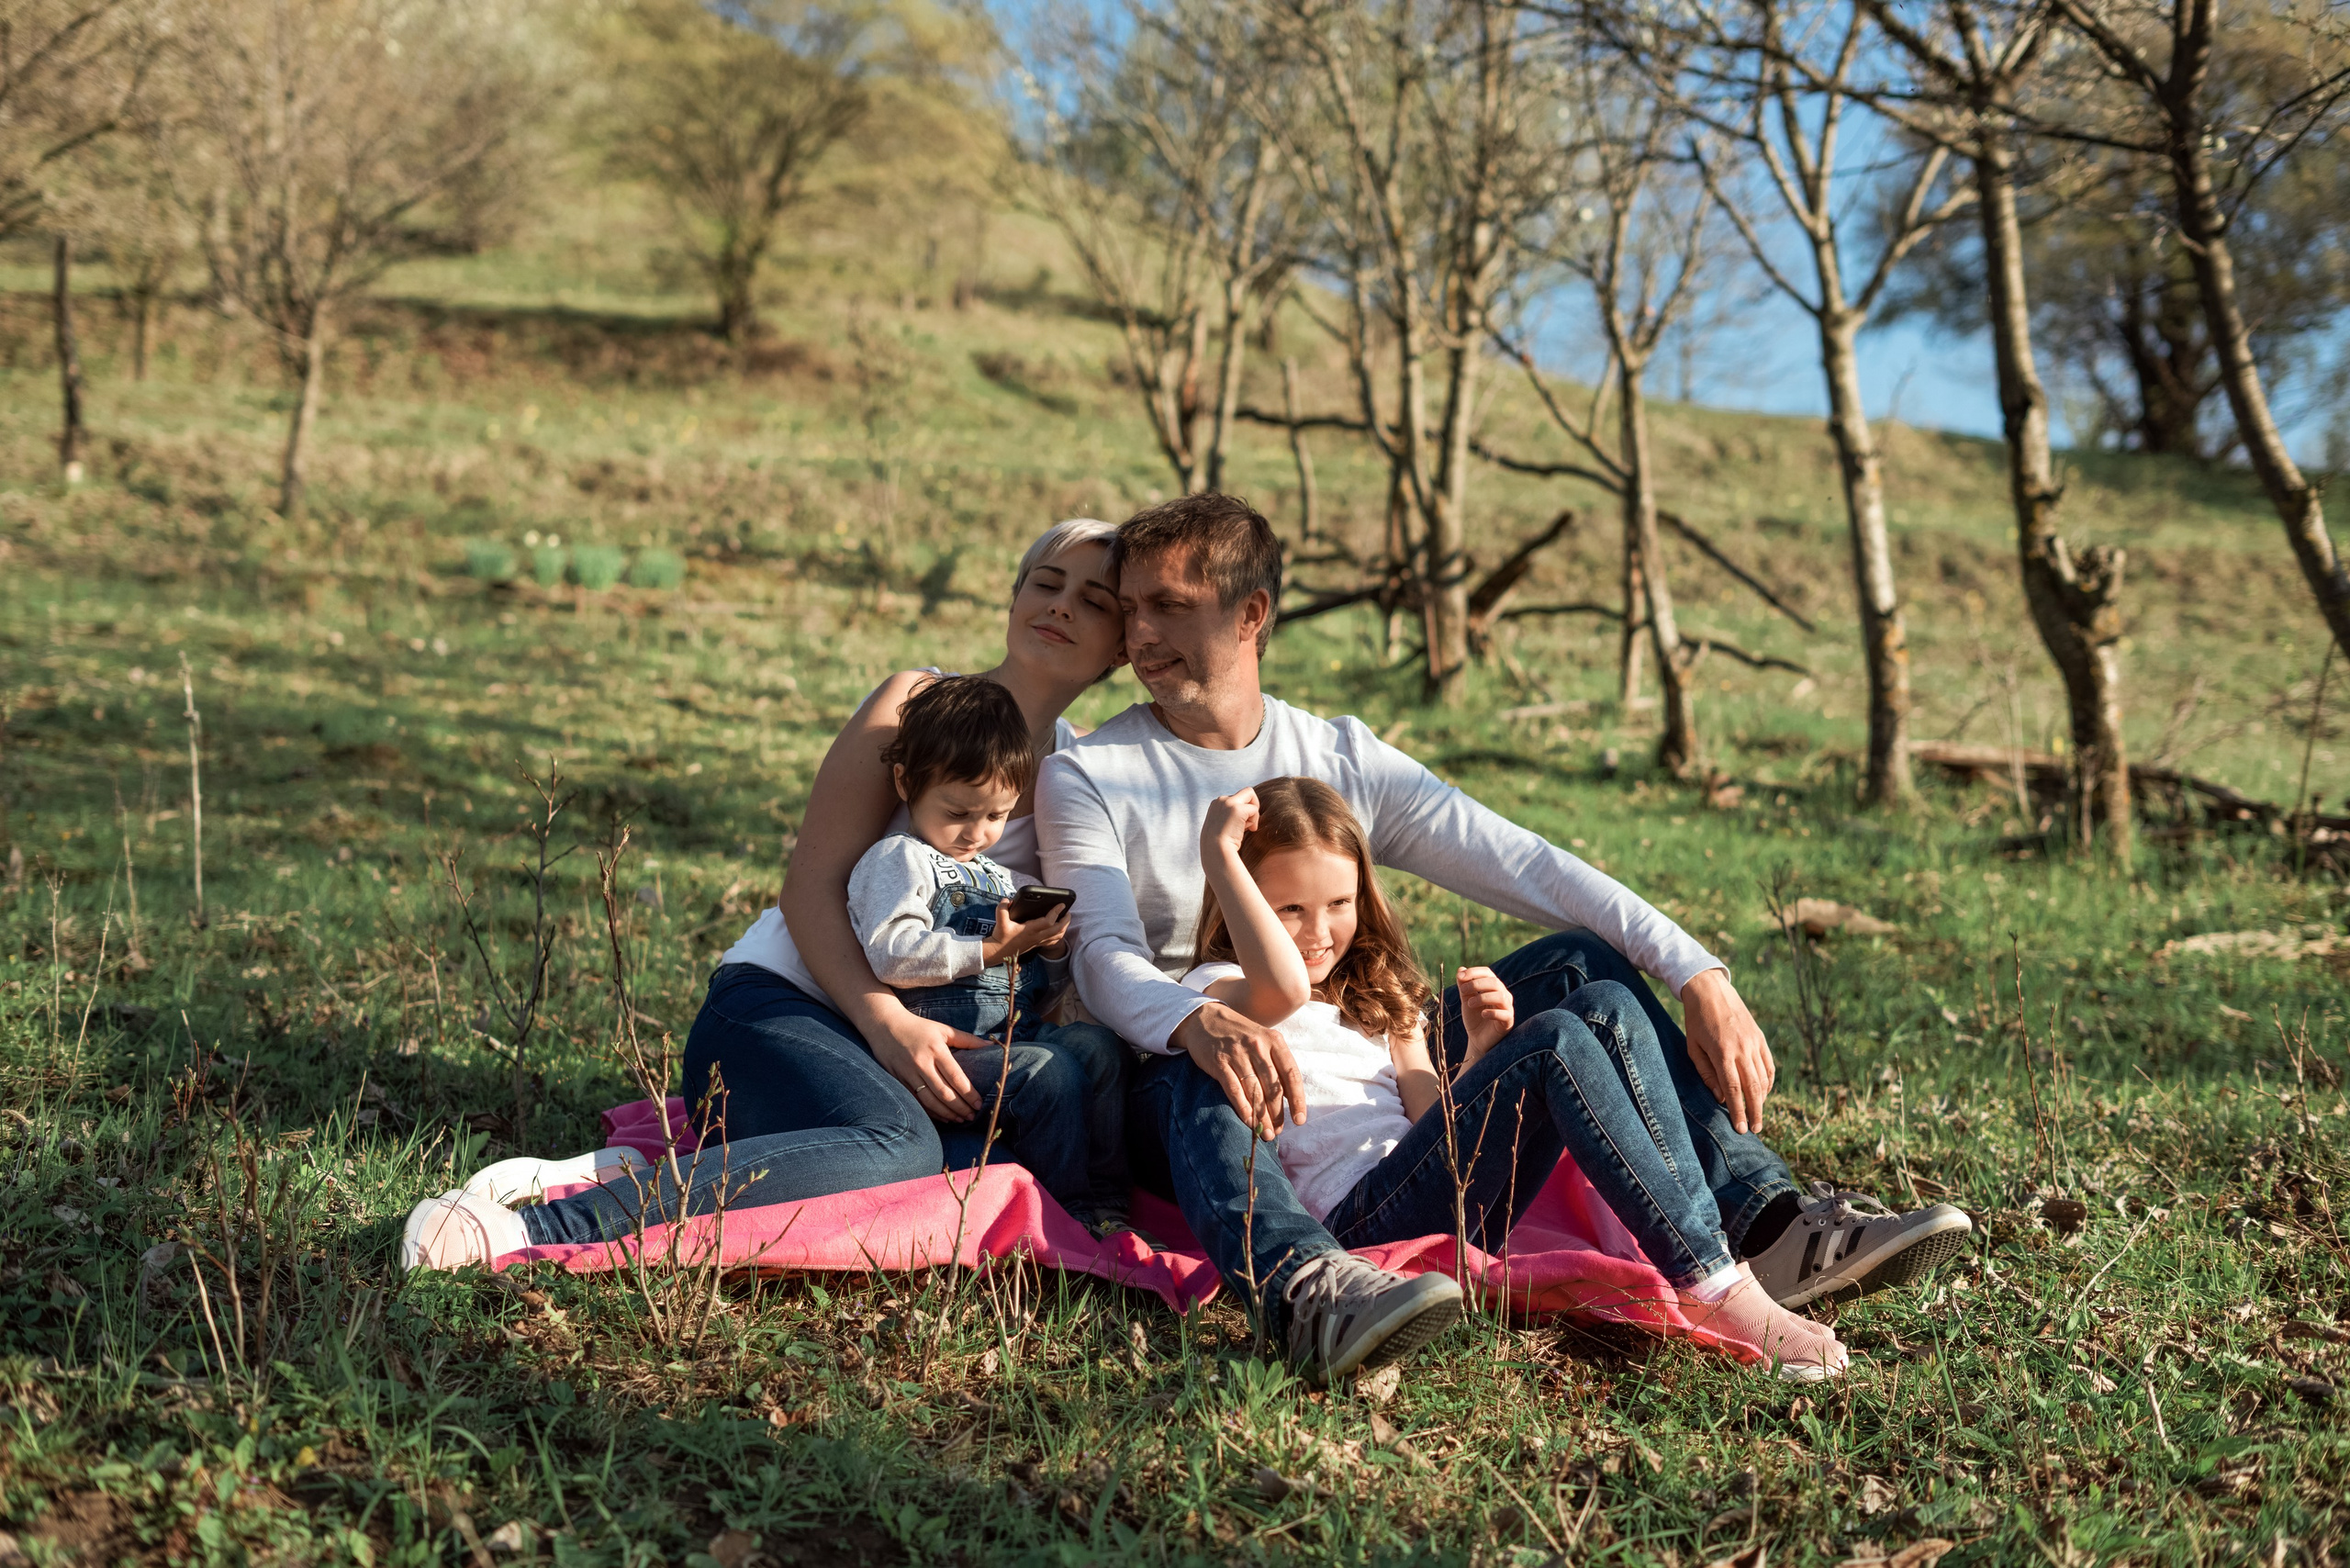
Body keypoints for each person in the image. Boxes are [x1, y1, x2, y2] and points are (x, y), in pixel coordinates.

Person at [1036, 493, 1968, 1380]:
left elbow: (1526, 863)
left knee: (1583, 968)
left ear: (1251, 614)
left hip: (1354, 1051)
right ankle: (1307, 1284)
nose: (1139, 633)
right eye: (1131, 608)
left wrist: (1695, 970)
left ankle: (1768, 1228)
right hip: (1190, 1074)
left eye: (1168, 606)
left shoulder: (1339, 756)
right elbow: (1104, 956)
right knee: (1203, 1060)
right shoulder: (1091, 772)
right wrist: (1195, 1022)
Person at [401, 518, 1129, 1270]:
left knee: (989, 1162)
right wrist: (885, 1022)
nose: (1061, 605)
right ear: (1014, 597)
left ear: (1123, 645)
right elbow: (810, 887)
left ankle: (659, 1173)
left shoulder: (1075, 771)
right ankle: (534, 1227)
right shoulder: (916, 702)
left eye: (1094, 600)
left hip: (916, 1056)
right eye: (1046, 583)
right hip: (788, 1007)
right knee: (900, 1149)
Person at [1188, 777, 1841, 1380]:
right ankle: (1714, 1285)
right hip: (1359, 1226)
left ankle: (1711, 1263)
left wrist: (1482, 1054)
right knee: (1554, 1039)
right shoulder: (1217, 992)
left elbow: (1431, 1123)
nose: (1318, 931)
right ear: (1240, 901)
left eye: (1339, 902)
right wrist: (1218, 853)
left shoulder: (1380, 998)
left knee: (1607, 1004)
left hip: (1439, 1195)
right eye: (1289, 908)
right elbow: (1283, 984)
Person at [844, 674, 1128, 1235]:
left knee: (1099, 1049)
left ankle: (1111, 1206)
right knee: (1048, 1073)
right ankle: (1067, 1218)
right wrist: (989, 948)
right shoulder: (898, 859)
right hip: (946, 1050)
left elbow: (1034, 991)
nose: (976, 833)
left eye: (996, 817)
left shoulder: (1002, 878)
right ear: (905, 782)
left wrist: (1046, 950)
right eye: (958, 812)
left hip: (1014, 1031)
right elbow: (891, 954)